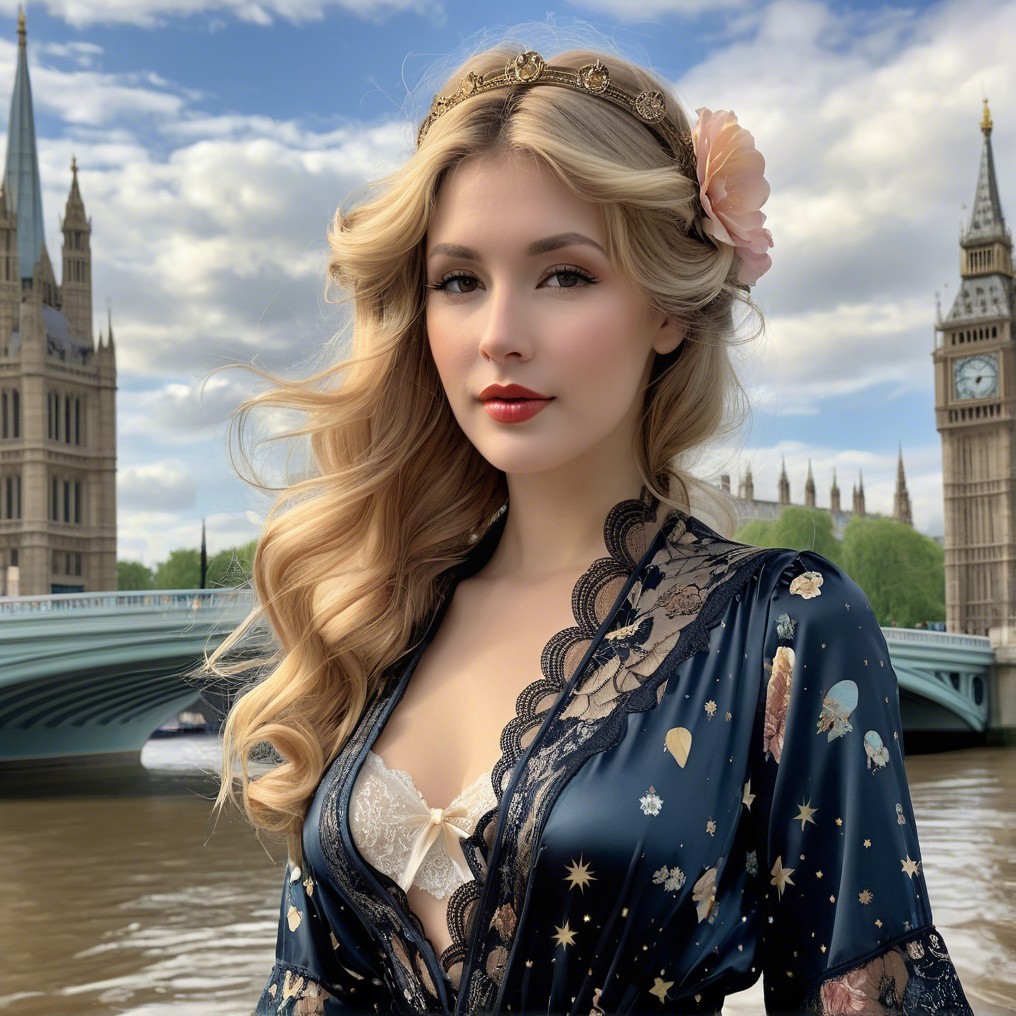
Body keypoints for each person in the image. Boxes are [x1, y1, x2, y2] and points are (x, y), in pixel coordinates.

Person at [215, 41, 972, 1016]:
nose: (498, 333)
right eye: (458, 281)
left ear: (665, 306)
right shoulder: (377, 613)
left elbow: (864, 990)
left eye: (562, 275)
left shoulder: (784, 627)